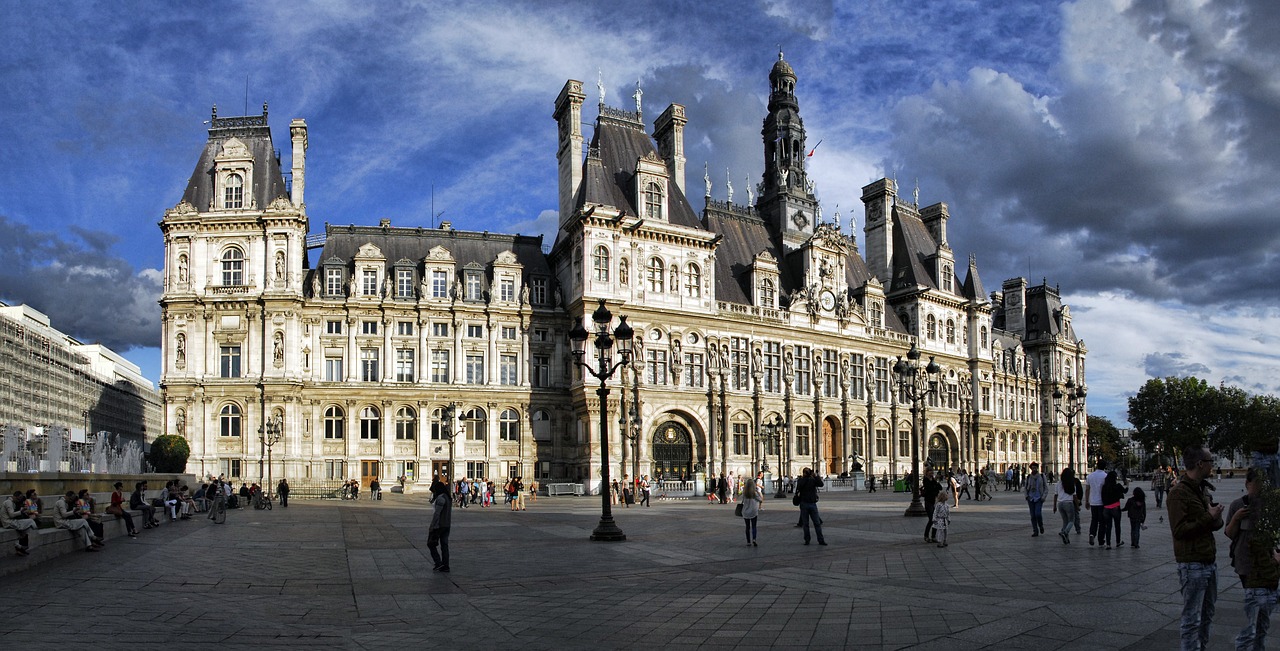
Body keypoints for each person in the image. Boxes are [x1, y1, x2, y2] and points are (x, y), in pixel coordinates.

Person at [1168, 444, 1225, 650]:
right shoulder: (1178, 493)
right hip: (1192, 564)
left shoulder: (1201, 490)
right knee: (1192, 618)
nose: (1213, 465)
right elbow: (1179, 530)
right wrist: (1207, 516)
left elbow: (1213, 525)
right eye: (1210, 461)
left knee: (1207, 615)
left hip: (1208, 560)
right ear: (1200, 464)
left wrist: (1215, 517)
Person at [1226, 468, 1280, 650]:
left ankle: (1259, 645)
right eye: (1255, 483)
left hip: (1268, 565)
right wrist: (1235, 518)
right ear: (1247, 484)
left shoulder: (1270, 505)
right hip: (1246, 565)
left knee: (1263, 617)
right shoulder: (1237, 505)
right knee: (1253, 615)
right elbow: (1229, 533)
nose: (1259, 488)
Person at [795, 467, 826, 546]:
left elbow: (821, 484)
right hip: (810, 503)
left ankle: (807, 540)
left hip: (805, 503)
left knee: (806, 524)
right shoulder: (810, 480)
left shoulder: (802, 480)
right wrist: (815, 476)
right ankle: (820, 540)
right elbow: (821, 484)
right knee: (816, 523)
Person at [427, 480, 452, 573]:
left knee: (431, 544)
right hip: (447, 525)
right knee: (444, 545)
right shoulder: (448, 498)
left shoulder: (441, 498)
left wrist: (432, 526)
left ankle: (438, 562)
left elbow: (437, 514)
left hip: (439, 526)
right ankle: (446, 565)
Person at [2, 490, 37, 555]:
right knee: (30, 522)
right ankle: (22, 547)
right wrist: (23, 511)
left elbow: (34, 511)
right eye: (34, 494)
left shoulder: (32, 501)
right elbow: (12, 514)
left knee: (27, 527)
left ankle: (20, 547)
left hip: (14, 520)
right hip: (12, 521)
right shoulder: (10, 502)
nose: (36, 495)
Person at [1053, 467, 1082, 544]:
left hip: (1060, 504)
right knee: (1071, 520)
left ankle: (1066, 539)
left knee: (1065, 521)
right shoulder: (1071, 483)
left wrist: (1054, 506)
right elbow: (1074, 496)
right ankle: (1065, 532)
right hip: (1068, 503)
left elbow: (1055, 495)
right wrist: (1078, 506)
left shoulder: (1058, 483)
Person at [1100, 470, 1127, 548]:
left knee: (1108, 526)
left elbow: (1102, 497)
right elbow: (1125, 491)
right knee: (1117, 525)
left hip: (1106, 508)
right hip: (1115, 507)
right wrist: (1127, 485)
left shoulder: (1104, 487)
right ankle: (1118, 542)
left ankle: (1108, 544)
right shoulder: (1117, 486)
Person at [1084, 459, 1108, 546]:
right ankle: (1101, 540)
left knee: (1094, 519)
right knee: (1102, 521)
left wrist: (1087, 501)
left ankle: (1092, 534)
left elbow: (1087, 489)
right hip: (1102, 502)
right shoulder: (1105, 476)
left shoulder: (1090, 476)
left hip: (1093, 501)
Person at [1025, 462, 1047, 537]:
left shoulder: (1041, 476)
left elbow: (1046, 488)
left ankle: (1040, 525)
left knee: (1038, 514)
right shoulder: (1028, 477)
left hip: (1039, 498)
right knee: (1032, 516)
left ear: (1037, 468)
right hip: (1031, 498)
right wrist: (1026, 496)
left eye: (1035, 468)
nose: (1034, 469)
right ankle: (1035, 530)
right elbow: (1025, 488)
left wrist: (1043, 497)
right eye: (1032, 468)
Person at [921, 468, 943, 543]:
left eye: (932, 472)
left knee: (935, 519)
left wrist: (936, 481)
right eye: (930, 472)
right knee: (931, 519)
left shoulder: (933, 480)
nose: (931, 473)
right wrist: (934, 483)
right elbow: (929, 488)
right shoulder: (925, 480)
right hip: (928, 502)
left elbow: (940, 487)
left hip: (934, 502)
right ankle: (926, 536)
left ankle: (933, 536)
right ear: (926, 473)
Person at [739, 476, 763, 546]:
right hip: (753, 511)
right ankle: (754, 539)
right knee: (754, 526)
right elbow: (760, 500)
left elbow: (742, 500)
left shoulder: (744, 493)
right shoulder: (754, 493)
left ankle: (748, 541)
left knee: (747, 527)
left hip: (746, 511)